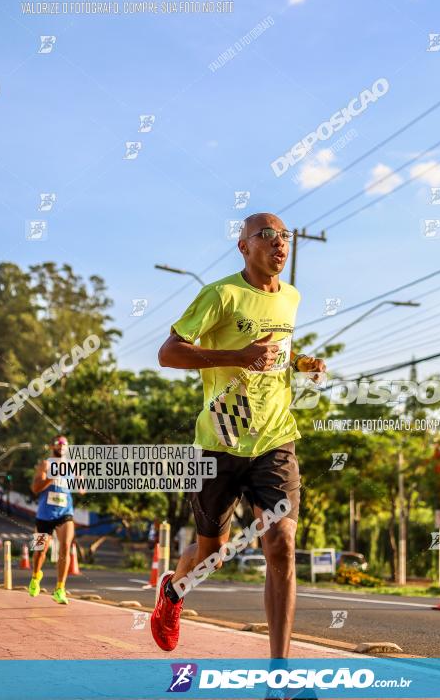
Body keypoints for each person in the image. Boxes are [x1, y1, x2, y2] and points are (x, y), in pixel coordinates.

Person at [151, 212, 325, 663]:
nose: (278, 243)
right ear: (244, 247)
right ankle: (173, 589)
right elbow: (169, 353)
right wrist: (237, 356)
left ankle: (279, 670)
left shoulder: (291, 297)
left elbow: (275, 351)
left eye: (284, 236)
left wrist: (301, 363)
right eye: (265, 235)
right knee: (214, 553)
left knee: (281, 544)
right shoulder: (220, 294)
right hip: (220, 441)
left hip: (275, 439)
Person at [29, 435, 75, 604]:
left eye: (65, 443)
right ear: (52, 447)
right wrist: (52, 476)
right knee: (39, 551)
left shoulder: (72, 466)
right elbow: (35, 488)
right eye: (58, 443)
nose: (62, 445)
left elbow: (81, 487)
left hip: (64, 513)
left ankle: (60, 589)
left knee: (65, 546)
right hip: (44, 515)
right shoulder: (45, 464)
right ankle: (35, 577)